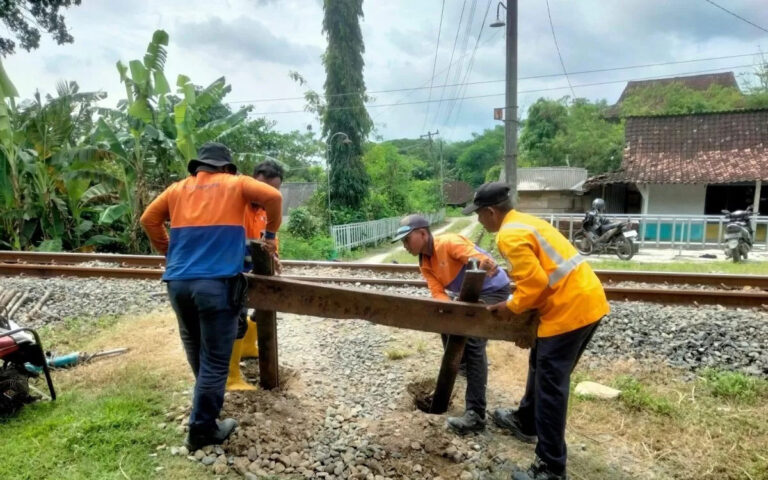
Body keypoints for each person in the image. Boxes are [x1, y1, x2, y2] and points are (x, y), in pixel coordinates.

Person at [140, 142, 282, 450]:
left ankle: (205, 406)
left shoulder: (177, 189)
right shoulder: (237, 183)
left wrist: (169, 251)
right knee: (216, 362)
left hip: (178, 284)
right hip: (216, 285)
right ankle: (202, 429)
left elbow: (148, 220)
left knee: (196, 349)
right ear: (228, 168)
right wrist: (269, 237)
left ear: (198, 167)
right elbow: (273, 196)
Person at [463, 182, 609, 480]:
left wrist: (511, 308)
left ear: (491, 212)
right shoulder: (525, 222)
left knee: (550, 387)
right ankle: (527, 421)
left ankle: (550, 467)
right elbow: (538, 278)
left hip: (570, 310)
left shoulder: (509, 234)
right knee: (539, 364)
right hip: (583, 300)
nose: (478, 219)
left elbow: (535, 285)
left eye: (479, 214)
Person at [392, 214, 511, 434]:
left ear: (423, 234)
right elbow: (438, 293)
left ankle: (476, 414)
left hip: (492, 290)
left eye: (407, 239)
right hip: (468, 293)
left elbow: (477, 259)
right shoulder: (425, 263)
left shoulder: (448, 242)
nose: (405, 245)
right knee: (445, 321)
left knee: (474, 341)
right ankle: (464, 367)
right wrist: (450, 315)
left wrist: (484, 264)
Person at [226, 159, 285, 391]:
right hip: (234, 273)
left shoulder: (266, 212)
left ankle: (249, 347)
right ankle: (231, 376)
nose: (265, 195)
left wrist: (274, 256)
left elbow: (270, 240)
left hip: (256, 272)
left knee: (268, 305)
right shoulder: (234, 203)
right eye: (262, 188)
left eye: (272, 191)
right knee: (237, 319)